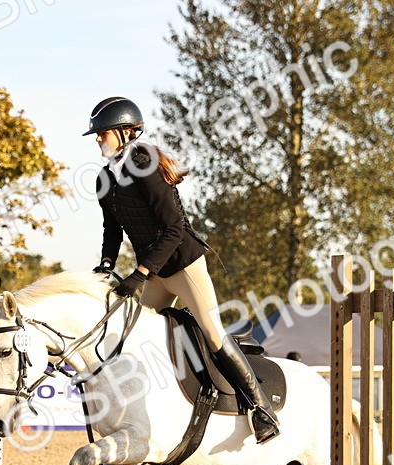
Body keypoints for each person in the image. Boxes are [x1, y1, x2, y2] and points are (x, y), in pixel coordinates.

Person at [85, 96, 279, 443]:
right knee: (135, 337)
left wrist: (140, 273)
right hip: (155, 270)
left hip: (183, 264)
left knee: (211, 330)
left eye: (102, 133)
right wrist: (107, 264)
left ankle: (260, 408)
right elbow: (112, 230)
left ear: (126, 132)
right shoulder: (104, 177)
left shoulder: (144, 163)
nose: (98, 139)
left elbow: (174, 229)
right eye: (97, 135)